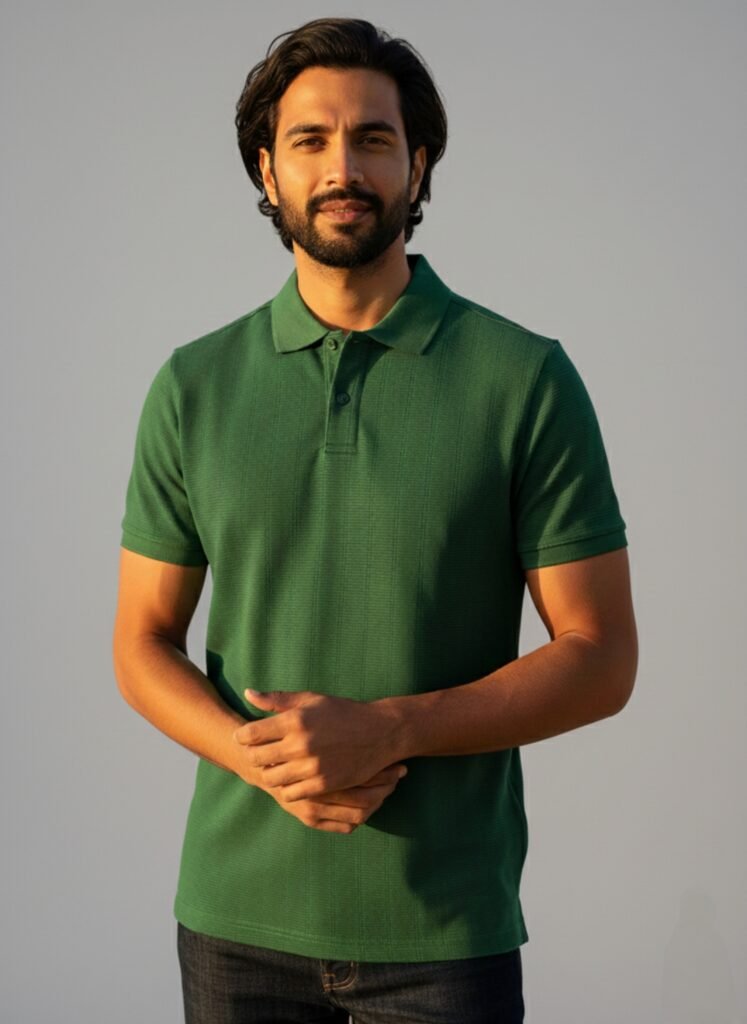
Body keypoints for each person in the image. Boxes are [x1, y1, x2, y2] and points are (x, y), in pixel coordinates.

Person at [113, 17, 638, 1023]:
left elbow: (602, 655)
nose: (342, 168)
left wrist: (392, 728)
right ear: (266, 170)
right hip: (235, 925)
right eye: (309, 140)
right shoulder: (193, 387)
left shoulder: (524, 379)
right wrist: (261, 758)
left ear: (418, 163)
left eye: (373, 139)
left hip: (444, 929)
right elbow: (141, 643)